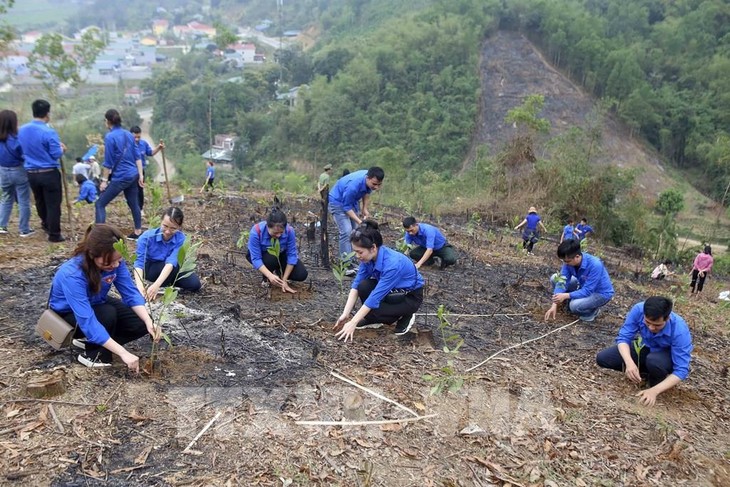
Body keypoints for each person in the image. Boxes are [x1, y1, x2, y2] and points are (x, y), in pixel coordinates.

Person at [49, 223, 159, 370]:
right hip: (68, 315)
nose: (115, 265)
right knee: (107, 314)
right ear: (92, 254)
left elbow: (130, 292)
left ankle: (92, 342)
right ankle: (94, 355)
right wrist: (123, 352)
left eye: (118, 260)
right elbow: (86, 319)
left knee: (140, 322)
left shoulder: (115, 262)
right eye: (109, 262)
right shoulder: (72, 274)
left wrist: (148, 320)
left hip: (96, 301)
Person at [334, 220, 424, 341]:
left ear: (373, 248)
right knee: (363, 286)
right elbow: (355, 286)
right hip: (391, 291)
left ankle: (407, 314)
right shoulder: (368, 259)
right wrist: (345, 314)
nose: (357, 256)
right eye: (355, 252)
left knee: (375, 309)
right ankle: (377, 318)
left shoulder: (392, 264)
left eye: (359, 252)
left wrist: (353, 322)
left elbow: (375, 297)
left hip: (409, 296)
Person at [596, 296, 693, 406]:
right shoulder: (638, 310)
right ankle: (643, 372)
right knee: (603, 359)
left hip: (664, 357)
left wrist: (654, 391)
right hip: (645, 347)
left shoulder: (679, 331)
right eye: (647, 322)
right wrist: (630, 363)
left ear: (667, 318)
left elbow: (681, 370)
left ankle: (656, 381)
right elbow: (624, 338)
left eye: (657, 325)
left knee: (654, 361)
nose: (651, 328)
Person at [18, 99, 66, 242]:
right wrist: (62, 148)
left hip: (31, 173)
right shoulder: (48, 131)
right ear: (47, 113)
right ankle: (54, 234)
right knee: (53, 203)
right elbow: (55, 153)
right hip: (48, 172)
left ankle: (45, 224)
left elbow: (20, 149)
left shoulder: (22, 130)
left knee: (40, 201)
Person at [133, 207, 201, 301]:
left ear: (179, 227)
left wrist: (156, 285)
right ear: (161, 222)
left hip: (171, 267)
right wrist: (140, 286)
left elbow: (171, 262)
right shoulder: (147, 237)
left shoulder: (181, 239)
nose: (168, 231)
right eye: (165, 226)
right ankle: (165, 282)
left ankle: (166, 283)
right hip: (152, 269)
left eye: (173, 228)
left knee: (194, 284)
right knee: (168, 269)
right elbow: (139, 263)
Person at [95, 109, 144, 240]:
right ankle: (138, 232)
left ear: (108, 121)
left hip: (121, 177)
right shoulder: (128, 134)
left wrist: (104, 181)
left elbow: (108, 162)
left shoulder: (110, 137)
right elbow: (137, 155)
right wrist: (141, 175)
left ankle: (99, 235)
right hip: (133, 174)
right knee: (134, 203)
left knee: (100, 204)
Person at [328, 167, 384, 271]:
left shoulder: (368, 180)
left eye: (379, 184)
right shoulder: (353, 186)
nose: (376, 187)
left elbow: (367, 192)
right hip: (338, 201)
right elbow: (346, 207)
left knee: (355, 232)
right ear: (367, 178)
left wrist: (364, 208)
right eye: (374, 184)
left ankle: (352, 259)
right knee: (347, 231)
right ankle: (345, 263)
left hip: (352, 201)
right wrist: (360, 221)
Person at [545, 239, 614, 322]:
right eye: (564, 261)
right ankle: (568, 304)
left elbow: (588, 291)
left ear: (577, 256)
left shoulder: (595, 265)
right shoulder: (568, 262)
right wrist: (554, 304)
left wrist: (566, 295)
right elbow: (562, 281)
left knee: (574, 306)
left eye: (567, 261)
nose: (565, 263)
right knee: (555, 278)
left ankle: (591, 312)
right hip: (583, 285)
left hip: (600, 293)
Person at [246, 208, 308, 293]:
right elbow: (256, 258)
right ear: (267, 226)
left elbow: (291, 255)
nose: (278, 235)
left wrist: (284, 280)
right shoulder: (256, 232)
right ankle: (266, 279)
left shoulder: (289, 231)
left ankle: (280, 274)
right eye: (275, 233)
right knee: (271, 259)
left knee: (301, 274)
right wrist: (270, 275)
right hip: (263, 256)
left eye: (281, 233)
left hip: (281, 254)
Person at [0, 109, 34, 237]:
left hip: (3, 171)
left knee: (6, 198)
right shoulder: (17, 139)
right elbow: (24, 155)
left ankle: (2, 226)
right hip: (18, 171)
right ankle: (24, 229)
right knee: (23, 200)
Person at [130, 126, 163, 213]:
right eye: (135, 137)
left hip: (141, 172)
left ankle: (140, 209)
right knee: (131, 190)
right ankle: (133, 208)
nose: (137, 139)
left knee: (140, 190)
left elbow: (151, 153)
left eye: (138, 137)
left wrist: (158, 148)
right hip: (129, 171)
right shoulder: (126, 145)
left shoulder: (143, 144)